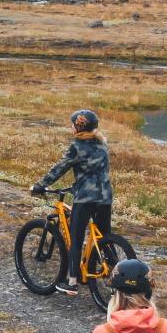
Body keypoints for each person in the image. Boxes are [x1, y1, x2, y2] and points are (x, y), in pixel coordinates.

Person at [32, 109, 111, 294]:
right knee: (104, 237)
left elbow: (60, 168)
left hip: (86, 197)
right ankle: (114, 268)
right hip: (105, 196)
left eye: (72, 124)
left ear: (78, 126)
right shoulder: (103, 144)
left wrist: (40, 185)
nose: (71, 127)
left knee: (76, 238)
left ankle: (72, 282)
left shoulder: (77, 146)